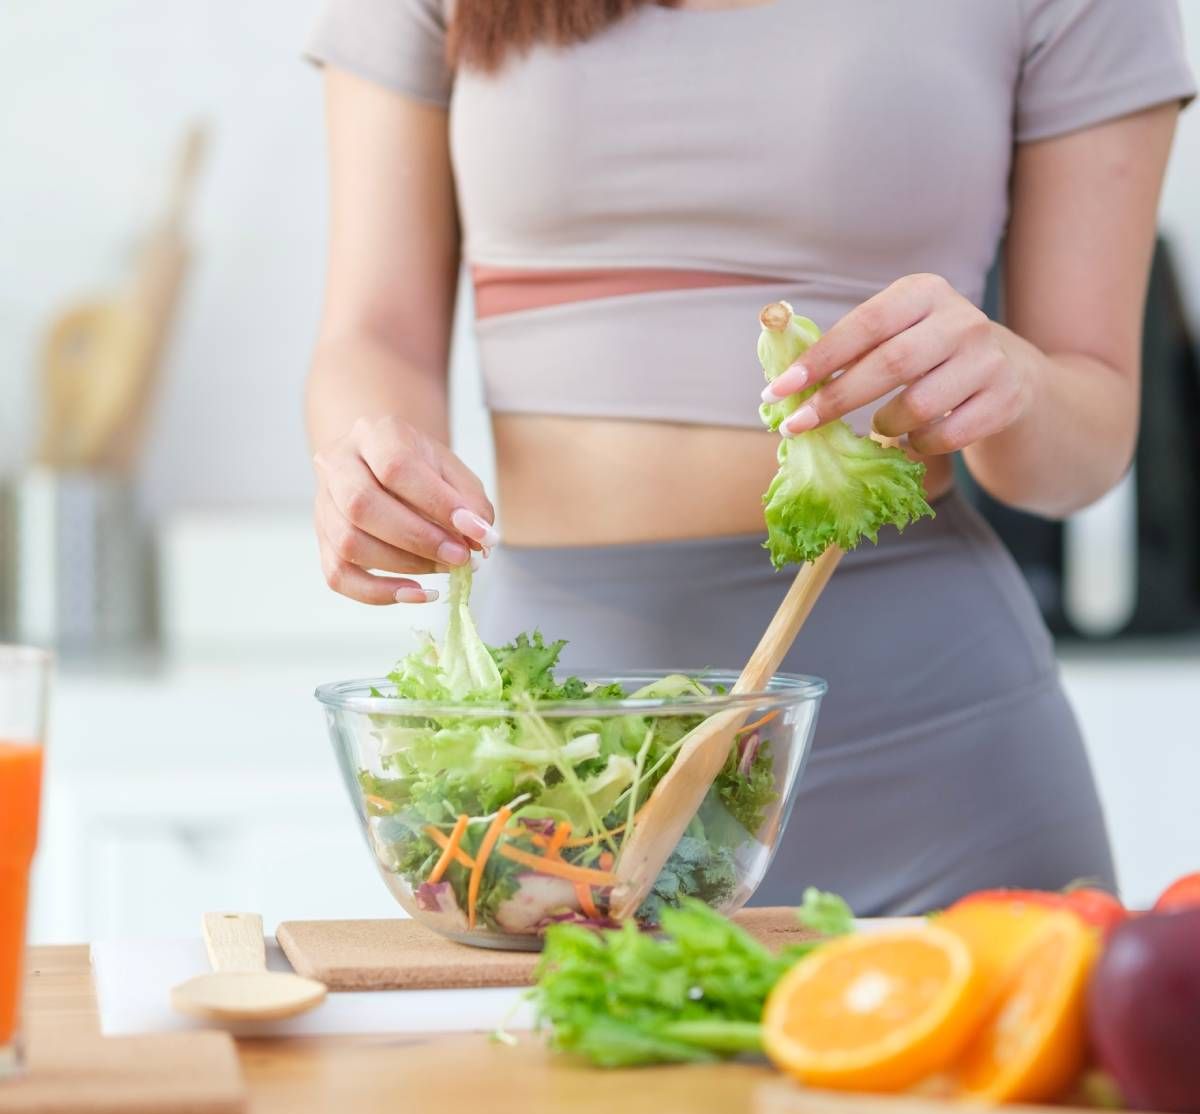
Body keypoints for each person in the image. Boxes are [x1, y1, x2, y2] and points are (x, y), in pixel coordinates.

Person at [303, 0, 1195, 914]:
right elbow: (375, 336)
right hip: (550, 771)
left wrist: (1020, 383)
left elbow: (1078, 453)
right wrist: (369, 460)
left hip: (930, 762)